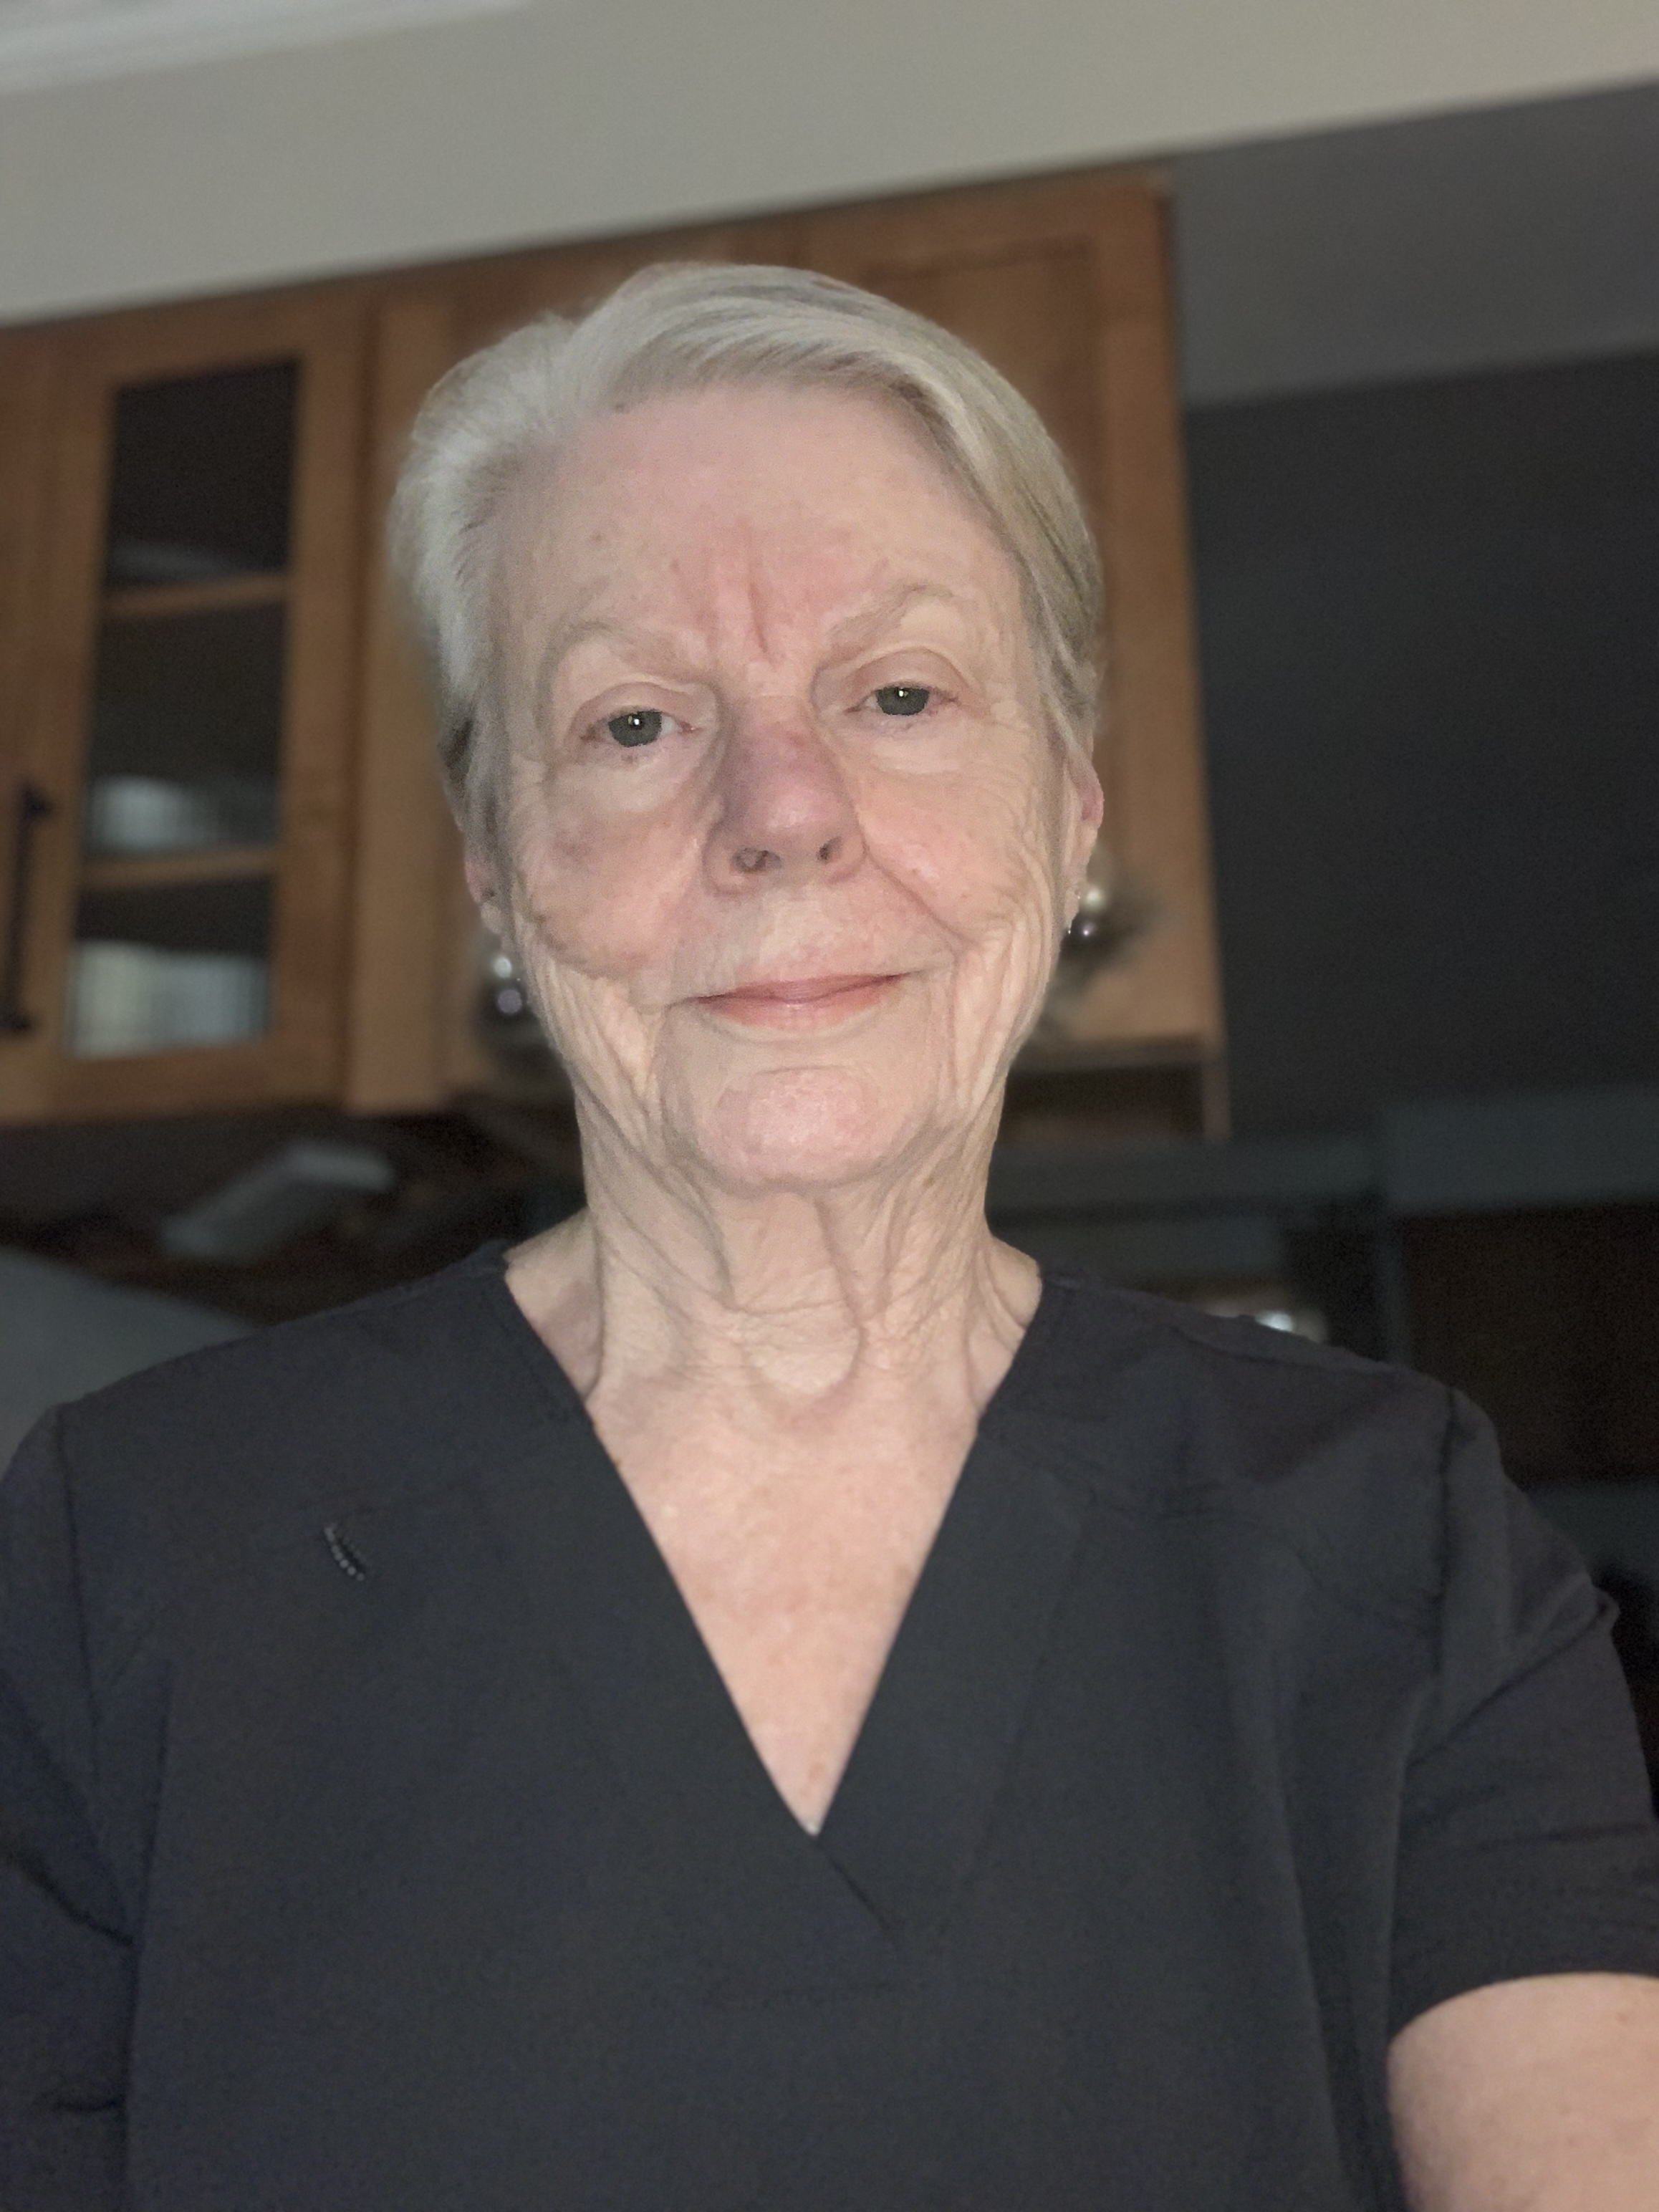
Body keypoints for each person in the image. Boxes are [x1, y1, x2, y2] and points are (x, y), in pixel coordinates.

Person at [3, 263, 1658, 2212]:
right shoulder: (123, 1550)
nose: (782, 810)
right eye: (633, 722)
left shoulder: (1406, 1546)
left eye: (898, 694)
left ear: (1066, 820)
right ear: (499, 873)